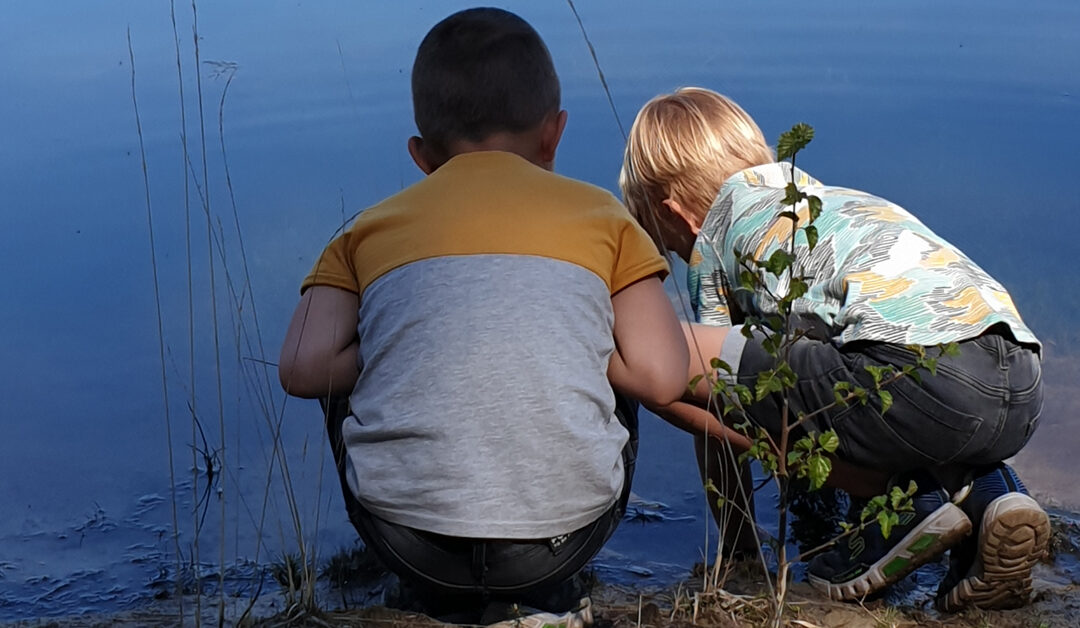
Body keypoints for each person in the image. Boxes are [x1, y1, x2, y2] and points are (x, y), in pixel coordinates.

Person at [277, 8, 688, 622]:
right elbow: (662, 378)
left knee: (342, 379)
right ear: (554, 134)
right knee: (615, 338)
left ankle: (427, 588)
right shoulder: (605, 218)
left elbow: (301, 369)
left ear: (420, 154)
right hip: (559, 544)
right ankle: (547, 594)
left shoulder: (366, 230)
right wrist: (582, 342)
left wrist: (392, 340)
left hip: (410, 543)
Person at [617, 86, 1049, 610]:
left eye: (666, 240)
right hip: (1021, 378)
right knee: (877, 382)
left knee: (665, 358)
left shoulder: (710, 240)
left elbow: (716, 393)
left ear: (675, 214)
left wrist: (739, 548)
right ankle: (996, 498)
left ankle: (906, 507)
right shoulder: (830, 199)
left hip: (919, 386)